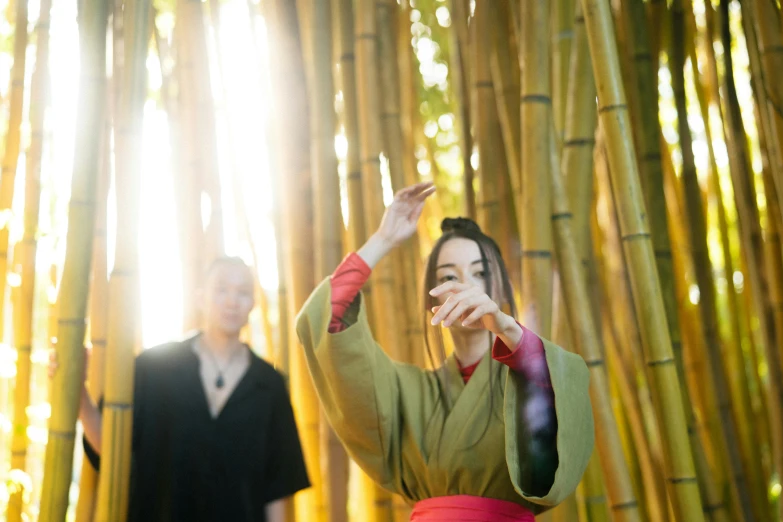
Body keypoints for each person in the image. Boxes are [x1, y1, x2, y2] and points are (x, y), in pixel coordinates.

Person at [296, 182, 594, 521]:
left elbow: (560, 425)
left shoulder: (530, 379)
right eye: (448, 275)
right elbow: (327, 322)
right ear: (430, 300)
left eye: (480, 274)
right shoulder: (408, 392)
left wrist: (507, 328)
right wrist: (383, 239)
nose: (464, 285)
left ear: (499, 289)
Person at [50, 257, 310, 522]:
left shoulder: (269, 385)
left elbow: (278, 488)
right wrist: (78, 392)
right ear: (200, 298)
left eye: (242, 292)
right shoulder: (154, 366)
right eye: (221, 289)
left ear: (253, 303)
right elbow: (110, 444)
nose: (232, 301)